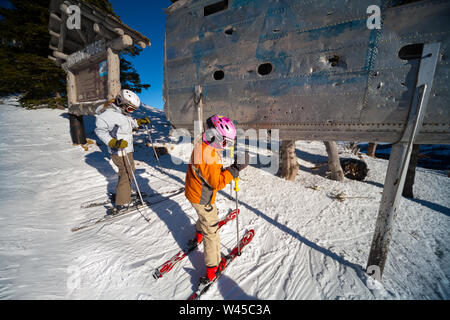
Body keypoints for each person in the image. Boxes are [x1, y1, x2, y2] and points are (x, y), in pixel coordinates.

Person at [185, 115, 249, 283]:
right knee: (211, 231)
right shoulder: (209, 155)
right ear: (214, 136)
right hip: (202, 198)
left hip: (195, 192)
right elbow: (217, 182)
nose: (225, 147)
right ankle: (213, 268)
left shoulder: (203, 144)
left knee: (203, 216)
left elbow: (209, 174)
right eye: (225, 142)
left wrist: (229, 168)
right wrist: (235, 169)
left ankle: (199, 234)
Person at [94, 89, 151, 213]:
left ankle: (125, 191)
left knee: (130, 171)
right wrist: (112, 142)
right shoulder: (108, 115)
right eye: (130, 109)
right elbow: (100, 131)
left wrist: (138, 123)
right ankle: (122, 201)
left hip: (127, 149)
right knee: (125, 172)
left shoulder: (123, 113)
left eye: (132, 110)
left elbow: (127, 125)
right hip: (118, 150)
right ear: (122, 103)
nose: (131, 111)